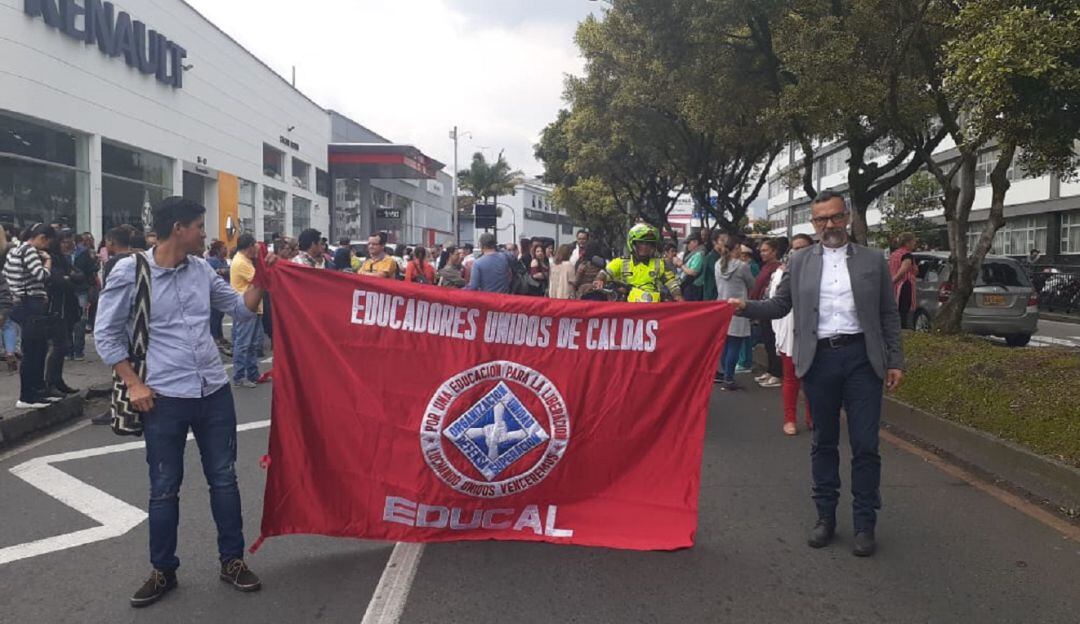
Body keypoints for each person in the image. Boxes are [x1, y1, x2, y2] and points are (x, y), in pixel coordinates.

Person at [95, 197, 273, 607]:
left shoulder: (201, 271)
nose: (204, 234)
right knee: (164, 487)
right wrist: (133, 383)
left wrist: (261, 278)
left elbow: (241, 311)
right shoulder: (131, 271)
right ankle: (163, 569)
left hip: (213, 390)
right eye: (198, 225)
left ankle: (232, 561)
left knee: (225, 480)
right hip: (163, 396)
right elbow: (105, 333)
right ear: (179, 228)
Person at [729, 190, 904, 557]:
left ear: (848, 217)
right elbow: (780, 305)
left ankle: (864, 523)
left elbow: (889, 313)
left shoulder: (873, 261)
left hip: (862, 360)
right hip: (820, 359)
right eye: (821, 219)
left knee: (865, 445)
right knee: (823, 442)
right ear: (813, 223)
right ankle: (825, 517)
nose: (829, 225)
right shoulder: (801, 260)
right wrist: (745, 307)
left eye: (835, 217)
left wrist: (895, 360)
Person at [6, 223, 58, 409]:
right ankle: (28, 396)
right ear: (42, 237)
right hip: (30, 304)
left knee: (38, 348)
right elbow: (41, 275)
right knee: (33, 351)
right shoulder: (29, 251)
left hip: (22, 303)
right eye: (47, 243)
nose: (46, 248)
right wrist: (48, 261)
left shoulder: (15, 250)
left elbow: (7, 274)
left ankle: (37, 392)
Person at [770, 233, 815, 436]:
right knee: (791, 378)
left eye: (803, 247)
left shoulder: (821, 271)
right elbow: (774, 303)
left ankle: (812, 417)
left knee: (813, 380)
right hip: (790, 330)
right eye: (795, 248)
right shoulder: (781, 273)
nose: (799, 252)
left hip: (815, 331)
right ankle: (789, 419)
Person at [593, 223, 683, 302]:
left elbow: (672, 284)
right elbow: (605, 272)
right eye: (641, 243)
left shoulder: (660, 264)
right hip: (626, 309)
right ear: (633, 243)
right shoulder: (621, 262)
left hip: (654, 309)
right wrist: (600, 280)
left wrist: (678, 296)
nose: (645, 247)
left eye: (649, 244)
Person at [44, 229, 85, 396]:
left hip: (68, 306)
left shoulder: (64, 259)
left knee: (64, 345)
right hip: (56, 308)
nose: (68, 244)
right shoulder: (50, 258)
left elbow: (80, 276)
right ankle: (50, 382)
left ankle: (58, 380)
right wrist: (68, 278)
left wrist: (69, 278)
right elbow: (58, 281)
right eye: (64, 241)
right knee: (58, 346)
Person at [713, 234, 754, 390]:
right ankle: (729, 378)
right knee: (735, 345)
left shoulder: (718, 264)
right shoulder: (742, 266)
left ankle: (724, 373)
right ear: (736, 248)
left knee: (725, 344)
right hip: (738, 308)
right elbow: (752, 283)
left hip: (722, 306)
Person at [751, 238, 787, 388]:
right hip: (762, 308)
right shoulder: (766, 266)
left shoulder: (778, 267)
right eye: (761, 251)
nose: (762, 253)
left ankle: (777, 373)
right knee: (767, 342)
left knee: (774, 343)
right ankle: (771, 370)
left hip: (771, 309)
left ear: (774, 251)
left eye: (765, 250)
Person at [229, 234, 264, 389]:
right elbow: (259, 278)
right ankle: (239, 376)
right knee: (243, 344)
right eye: (255, 246)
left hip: (252, 307)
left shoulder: (245, 260)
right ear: (250, 246)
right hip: (245, 308)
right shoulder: (241, 262)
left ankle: (252, 374)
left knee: (251, 344)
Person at [71, 232, 99, 360]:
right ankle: (73, 350)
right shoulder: (60, 254)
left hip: (80, 288)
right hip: (75, 288)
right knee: (76, 319)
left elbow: (91, 270)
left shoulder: (84, 253)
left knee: (80, 319)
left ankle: (76, 350)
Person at [890, 233, 918, 330]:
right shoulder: (907, 255)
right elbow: (903, 270)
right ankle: (904, 330)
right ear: (907, 243)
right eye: (913, 241)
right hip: (904, 285)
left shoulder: (894, 254)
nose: (915, 244)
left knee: (897, 310)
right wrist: (893, 281)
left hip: (895, 288)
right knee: (904, 312)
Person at [206, 241, 231, 353]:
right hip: (214, 294)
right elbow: (211, 274)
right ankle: (215, 338)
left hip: (224, 291)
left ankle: (220, 336)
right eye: (224, 248)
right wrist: (220, 271)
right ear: (217, 250)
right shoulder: (211, 261)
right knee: (214, 317)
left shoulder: (224, 261)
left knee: (220, 316)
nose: (226, 250)